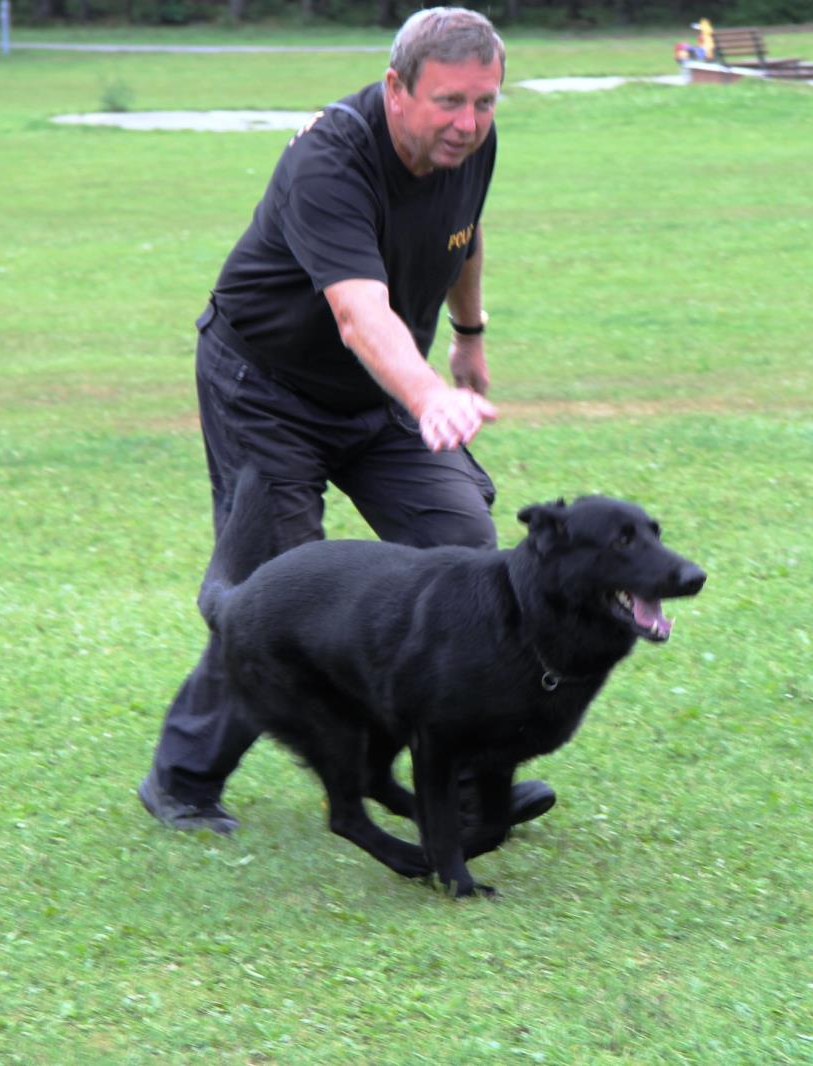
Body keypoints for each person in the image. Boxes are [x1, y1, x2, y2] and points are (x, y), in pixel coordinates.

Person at [139, 6, 555, 837]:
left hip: (381, 394)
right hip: (268, 387)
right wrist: (430, 395)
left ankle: (472, 779)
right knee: (283, 590)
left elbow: (464, 236)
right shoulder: (331, 161)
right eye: (448, 102)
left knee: (468, 556)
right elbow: (359, 314)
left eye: (485, 102)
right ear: (396, 88)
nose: (468, 123)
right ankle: (182, 778)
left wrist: (469, 338)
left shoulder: (472, 145)